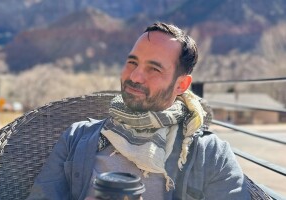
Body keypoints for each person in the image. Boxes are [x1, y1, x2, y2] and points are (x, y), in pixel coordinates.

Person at [27, 22, 250, 200]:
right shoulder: (77, 138)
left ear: (181, 85)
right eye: (132, 63)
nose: (135, 77)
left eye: (154, 69)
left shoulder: (209, 154)